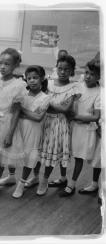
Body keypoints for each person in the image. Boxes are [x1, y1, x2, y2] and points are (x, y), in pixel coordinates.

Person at [0, 48, 28, 201]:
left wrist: (10, 133)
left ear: (15, 65)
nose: (3, 67)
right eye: (0, 63)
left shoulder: (18, 85)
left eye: (7, 64)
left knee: (1, 156)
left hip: (6, 122)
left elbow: (17, 111)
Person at [37, 55, 80, 196]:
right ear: (56, 68)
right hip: (44, 121)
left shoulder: (74, 87)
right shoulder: (48, 83)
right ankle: (36, 177)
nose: (62, 72)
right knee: (38, 152)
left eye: (66, 69)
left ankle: (44, 180)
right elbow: (40, 102)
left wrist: (49, 103)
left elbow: (66, 109)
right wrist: (54, 105)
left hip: (59, 124)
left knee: (54, 151)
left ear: (72, 71)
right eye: (60, 68)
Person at [59, 58, 101, 197]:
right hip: (71, 126)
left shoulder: (99, 92)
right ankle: (63, 178)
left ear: (99, 76)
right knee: (65, 153)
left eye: (93, 74)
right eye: (87, 72)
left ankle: (72, 184)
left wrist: (76, 117)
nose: (88, 76)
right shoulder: (78, 85)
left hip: (85, 130)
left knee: (79, 157)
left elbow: (95, 116)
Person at [10, 66, 50, 198]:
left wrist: (21, 110)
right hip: (20, 129)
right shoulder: (23, 95)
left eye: (35, 78)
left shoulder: (45, 98)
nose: (32, 81)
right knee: (18, 153)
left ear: (42, 78)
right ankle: (18, 177)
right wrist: (26, 113)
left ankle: (21, 184)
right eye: (29, 78)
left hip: (34, 131)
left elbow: (38, 118)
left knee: (30, 156)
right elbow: (14, 111)